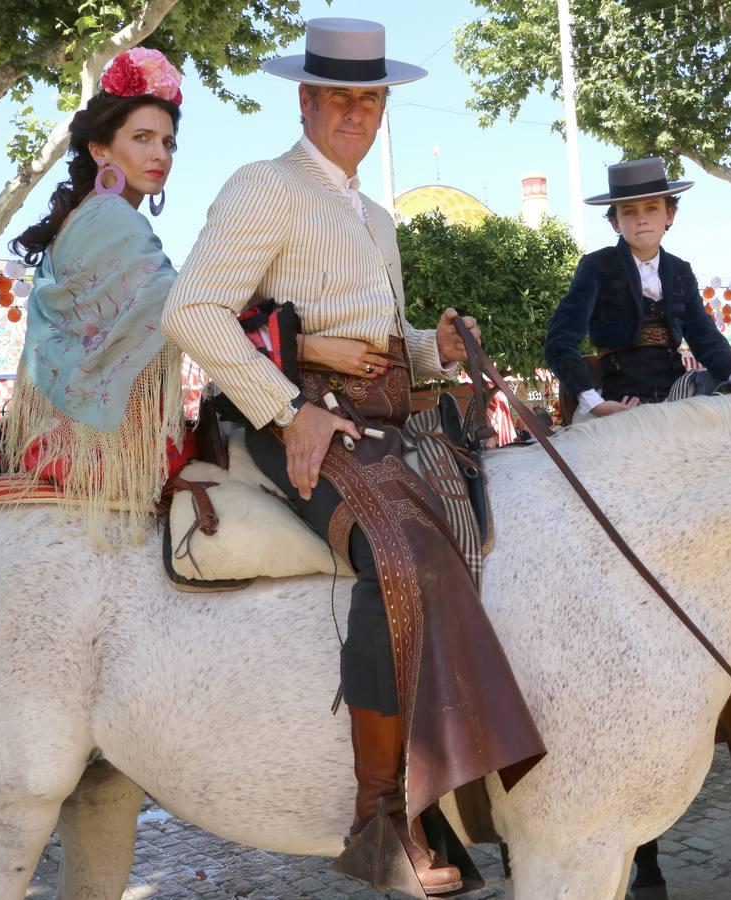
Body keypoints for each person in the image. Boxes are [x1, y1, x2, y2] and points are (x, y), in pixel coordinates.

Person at [162, 18, 544, 896]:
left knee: (488, 521)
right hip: (288, 421)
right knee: (400, 555)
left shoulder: (375, 215)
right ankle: (381, 817)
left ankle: (454, 776)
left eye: (369, 99)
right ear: (305, 99)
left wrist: (437, 346)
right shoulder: (264, 186)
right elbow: (191, 312)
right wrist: (287, 408)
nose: (355, 113)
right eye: (338, 97)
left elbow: (389, 345)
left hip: (379, 419)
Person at [4, 48, 186, 545]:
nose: (160, 155)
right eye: (142, 138)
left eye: (168, 142)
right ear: (100, 150)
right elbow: (181, 307)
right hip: (109, 448)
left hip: (61, 437)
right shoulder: (112, 218)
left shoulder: (88, 214)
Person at [545, 157, 731, 423]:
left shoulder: (680, 270)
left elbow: (704, 335)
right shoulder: (598, 266)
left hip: (678, 394)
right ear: (615, 222)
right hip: (619, 400)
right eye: (629, 211)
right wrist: (593, 402)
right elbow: (560, 339)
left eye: (651, 209)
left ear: (669, 215)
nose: (641, 219)